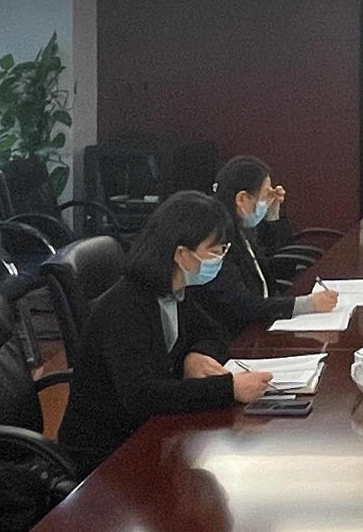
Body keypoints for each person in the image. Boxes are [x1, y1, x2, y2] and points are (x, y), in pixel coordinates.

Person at [60, 190, 273, 472]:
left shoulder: (175, 292)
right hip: (106, 453)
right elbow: (142, 396)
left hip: (152, 432)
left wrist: (195, 355)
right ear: (181, 254)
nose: (220, 257)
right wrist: (229, 388)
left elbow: (215, 333)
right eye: (215, 250)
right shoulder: (126, 306)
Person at [189, 156, 340, 335]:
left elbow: (282, 265)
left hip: (264, 322)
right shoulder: (217, 242)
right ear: (242, 199)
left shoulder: (243, 229)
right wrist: (307, 304)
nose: (268, 200)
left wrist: (273, 214)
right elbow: (243, 305)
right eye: (266, 195)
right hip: (239, 335)